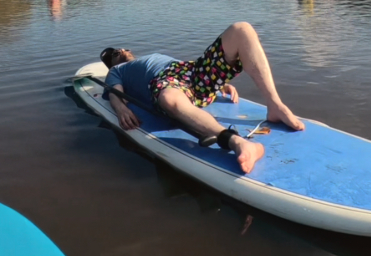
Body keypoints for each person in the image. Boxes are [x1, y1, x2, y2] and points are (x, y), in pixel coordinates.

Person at [100, 22, 305, 173]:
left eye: (124, 48)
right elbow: (115, 93)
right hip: (165, 83)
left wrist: (219, 84)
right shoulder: (118, 71)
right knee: (169, 98)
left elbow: (191, 70)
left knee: (241, 30)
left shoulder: (151, 56)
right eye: (116, 53)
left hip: (190, 71)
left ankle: (274, 105)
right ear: (112, 63)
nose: (123, 51)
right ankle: (237, 142)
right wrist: (121, 109)